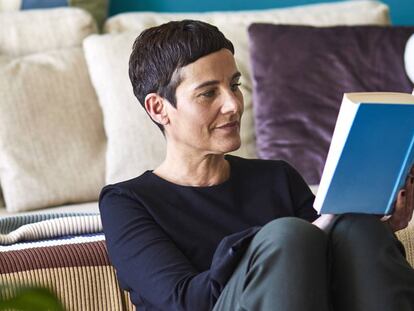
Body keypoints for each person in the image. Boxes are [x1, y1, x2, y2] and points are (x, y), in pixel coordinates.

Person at [98, 20, 414, 311]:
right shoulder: (127, 203)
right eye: (208, 93)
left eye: (235, 86)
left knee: (357, 229)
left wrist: (380, 226)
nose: (234, 105)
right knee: (288, 235)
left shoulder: (277, 177)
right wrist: (267, 245)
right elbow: (183, 301)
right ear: (158, 108)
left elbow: (335, 271)